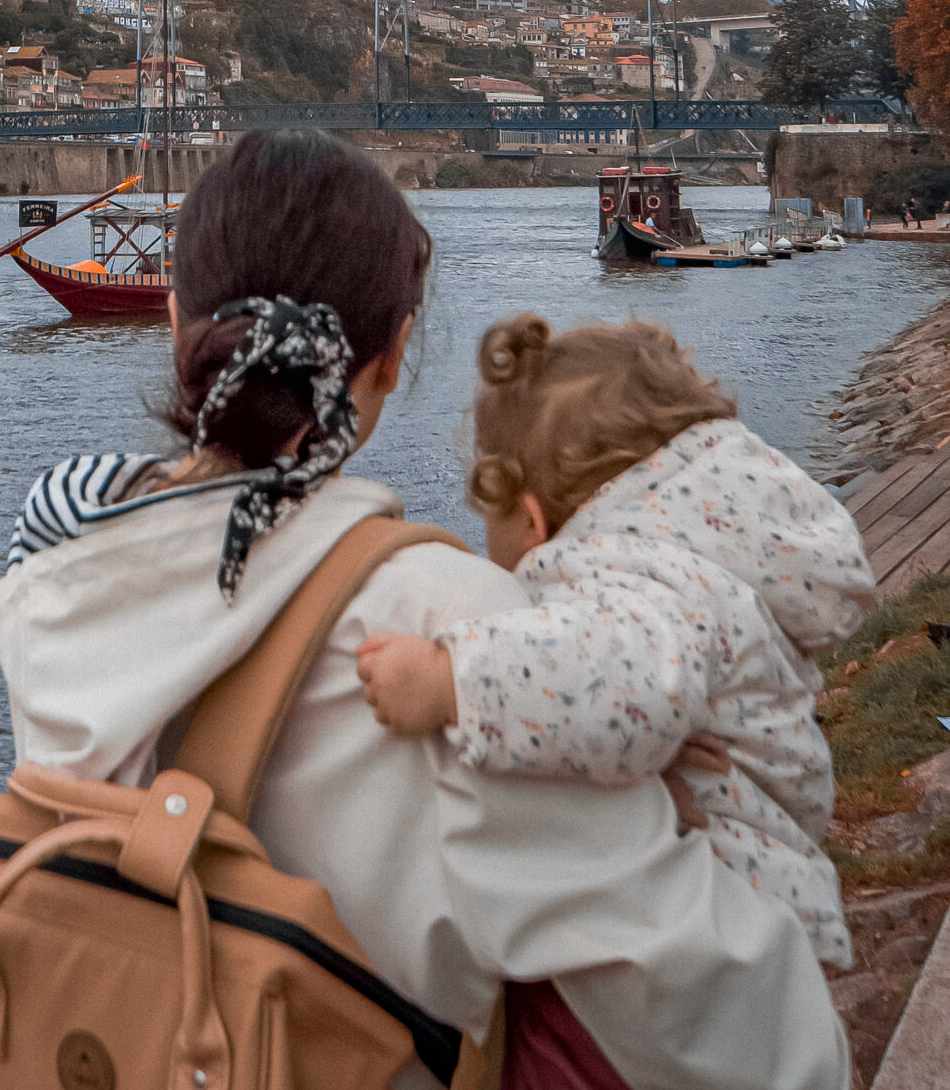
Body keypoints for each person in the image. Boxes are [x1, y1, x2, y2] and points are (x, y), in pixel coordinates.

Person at [0, 131, 847, 1090]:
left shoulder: (52, 567)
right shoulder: (463, 636)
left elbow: (144, 512)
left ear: (173, 323)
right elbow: (774, 1082)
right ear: (391, 354)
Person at [355, 312, 870, 967]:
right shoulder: (707, 555)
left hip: (708, 932)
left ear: (532, 520)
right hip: (769, 910)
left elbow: (611, 681)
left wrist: (444, 678)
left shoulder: (638, 578)